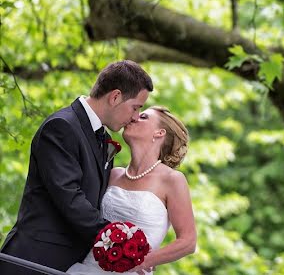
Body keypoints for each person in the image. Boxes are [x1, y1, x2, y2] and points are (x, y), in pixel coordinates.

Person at [0, 60, 153, 274]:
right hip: (34, 259)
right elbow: (70, 197)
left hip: (70, 263)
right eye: (136, 107)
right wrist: (116, 238)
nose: (135, 116)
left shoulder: (101, 137)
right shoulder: (61, 126)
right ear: (115, 97)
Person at [66, 106, 196, 274]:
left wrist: (144, 261)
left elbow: (188, 241)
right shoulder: (113, 174)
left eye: (143, 117)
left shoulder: (172, 180)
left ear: (159, 133)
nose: (133, 118)